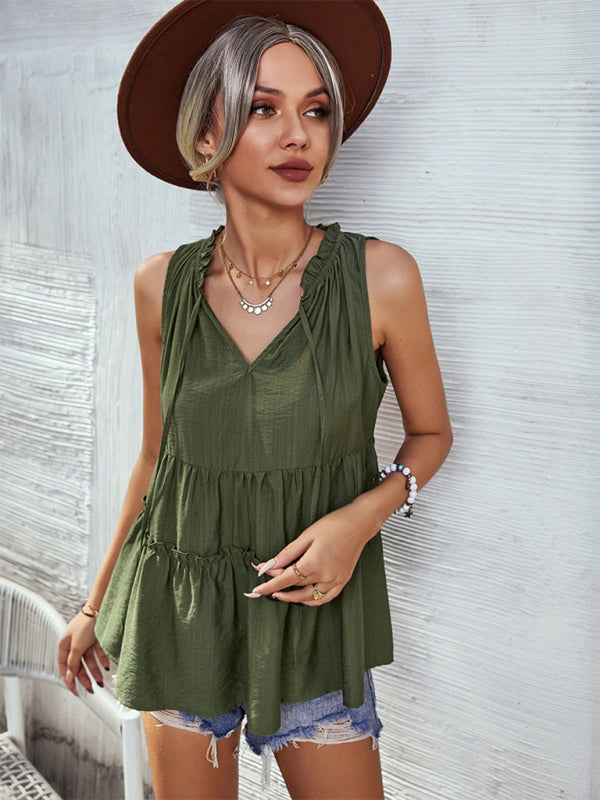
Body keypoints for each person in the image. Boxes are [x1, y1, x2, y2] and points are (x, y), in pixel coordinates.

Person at [58, 2, 452, 798]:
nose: (298, 135)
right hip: (179, 614)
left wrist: (358, 521)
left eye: (317, 111)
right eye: (264, 109)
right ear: (207, 137)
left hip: (314, 621)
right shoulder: (160, 285)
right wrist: (94, 606)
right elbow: (157, 460)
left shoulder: (380, 277)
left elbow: (432, 434)